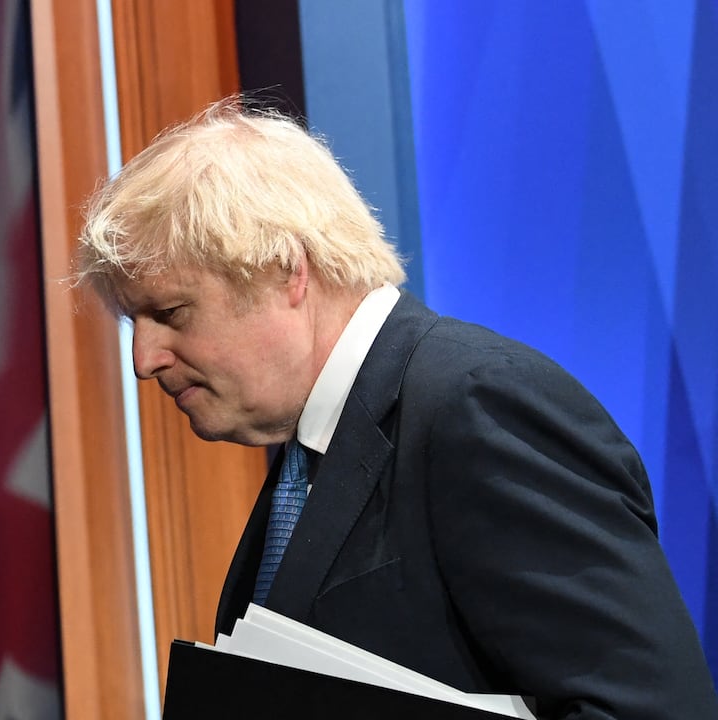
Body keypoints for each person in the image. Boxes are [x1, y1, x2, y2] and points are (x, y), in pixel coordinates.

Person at [74, 99, 718, 719]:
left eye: (170, 312)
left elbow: (651, 709)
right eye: (135, 322)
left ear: (286, 268)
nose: (144, 359)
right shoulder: (313, 453)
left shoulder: (480, 406)